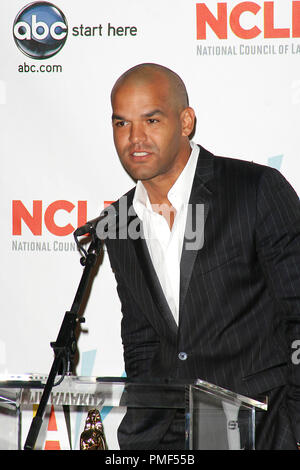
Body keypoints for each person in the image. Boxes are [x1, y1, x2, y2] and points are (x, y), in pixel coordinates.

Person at [104, 62, 300, 450]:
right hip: (165, 438)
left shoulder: (255, 190)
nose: (135, 138)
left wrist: (294, 428)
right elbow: (141, 340)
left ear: (186, 121)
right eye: (121, 124)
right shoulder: (118, 220)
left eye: (151, 120)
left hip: (262, 428)